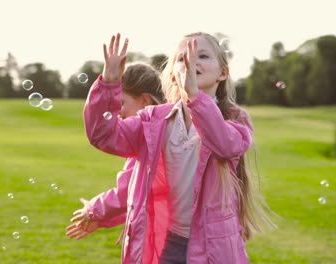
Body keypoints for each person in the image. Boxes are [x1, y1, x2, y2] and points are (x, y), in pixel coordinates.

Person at [82, 32, 276, 264]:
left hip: (213, 248)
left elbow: (224, 145)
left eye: (202, 56)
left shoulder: (234, 120)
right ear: (173, 76)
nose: (192, 62)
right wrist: (109, 83)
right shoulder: (152, 121)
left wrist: (194, 97)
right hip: (170, 243)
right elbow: (103, 135)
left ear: (222, 73)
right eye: (183, 59)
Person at [65, 62, 165, 240]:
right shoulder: (161, 132)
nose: (118, 114)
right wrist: (113, 219)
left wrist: (94, 210)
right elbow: (143, 196)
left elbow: (128, 191)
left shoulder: (153, 138)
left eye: (121, 104)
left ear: (145, 100)